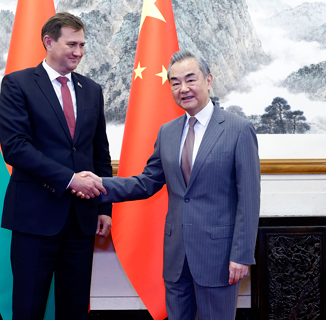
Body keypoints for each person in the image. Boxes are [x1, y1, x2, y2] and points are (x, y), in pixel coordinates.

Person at [75, 50, 261, 320]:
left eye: (190, 79)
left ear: (208, 80)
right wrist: (100, 183)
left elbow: (249, 199)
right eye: (175, 82)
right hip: (176, 257)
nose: (183, 88)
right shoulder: (168, 131)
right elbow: (147, 182)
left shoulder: (238, 129)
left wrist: (242, 255)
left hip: (218, 257)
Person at [0, 12, 111, 320]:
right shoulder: (18, 84)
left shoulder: (92, 90)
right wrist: (70, 179)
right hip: (35, 217)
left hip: (82, 219)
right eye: (71, 44)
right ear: (49, 41)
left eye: (83, 45)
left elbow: (99, 152)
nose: (79, 52)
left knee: (74, 309)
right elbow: (16, 148)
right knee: (29, 307)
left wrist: (104, 208)